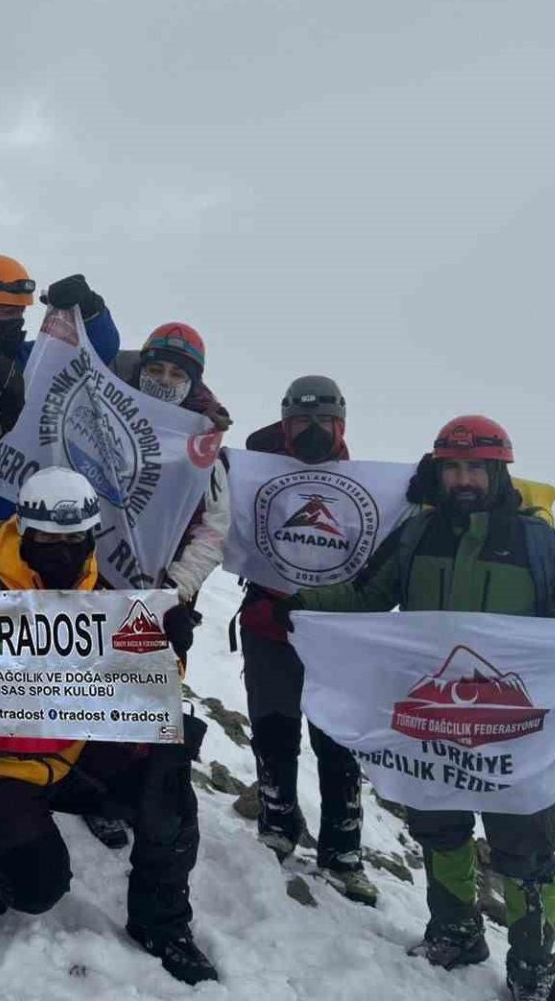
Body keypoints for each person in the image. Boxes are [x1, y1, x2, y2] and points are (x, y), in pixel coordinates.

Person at [284, 415, 555, 1001]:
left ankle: (531, 967)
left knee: (525, 849)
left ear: (499, 473)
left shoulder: (539, 545)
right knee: (438, 826)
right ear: (439, 473)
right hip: (434, 719)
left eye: (476, 467)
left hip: (515, 732)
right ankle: (456, 932)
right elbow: (368, 595)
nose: (464, 479)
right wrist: (302, 604)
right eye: (453, 468)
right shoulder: (418, 536)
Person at [0, 468, 217, 985]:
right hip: (3, 762)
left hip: (76, 749)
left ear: (91, 537)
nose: (61, 552)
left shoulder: (106, 597)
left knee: (168, 782)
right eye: (46, 541)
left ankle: (162, 922)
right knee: (34, 887)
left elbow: (145, 689)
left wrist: (171, 648)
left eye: (74, 540)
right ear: (24, 533)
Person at [82, 322, 231, 850]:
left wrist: (177, 589)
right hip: (92, 579)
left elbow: (214, 529)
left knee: (142, 694)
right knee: (86, 685)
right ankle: (89, 789)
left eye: (176, 374)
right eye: (157, 369)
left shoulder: (205, 447)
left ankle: (126, 793)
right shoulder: (103, 419)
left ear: (193, 384)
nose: (164, 380)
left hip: (161, 593)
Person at [232, 375, 377, 906]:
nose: (313, 430)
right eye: (301, 421)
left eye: (324, 420)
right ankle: (277, 823)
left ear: (341, 425)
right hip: (267, 622)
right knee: (273, 730)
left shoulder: (369, 489)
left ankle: (343, 852)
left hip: (335, 633)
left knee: (336, 740)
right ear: (285, 423)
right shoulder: (259, 469)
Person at [0, 256, 122, 587]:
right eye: (2, 309)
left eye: (18, 311)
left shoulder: (34, 358)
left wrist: (90, 308)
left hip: (41, 529)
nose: (12, 320)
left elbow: (96, 351)